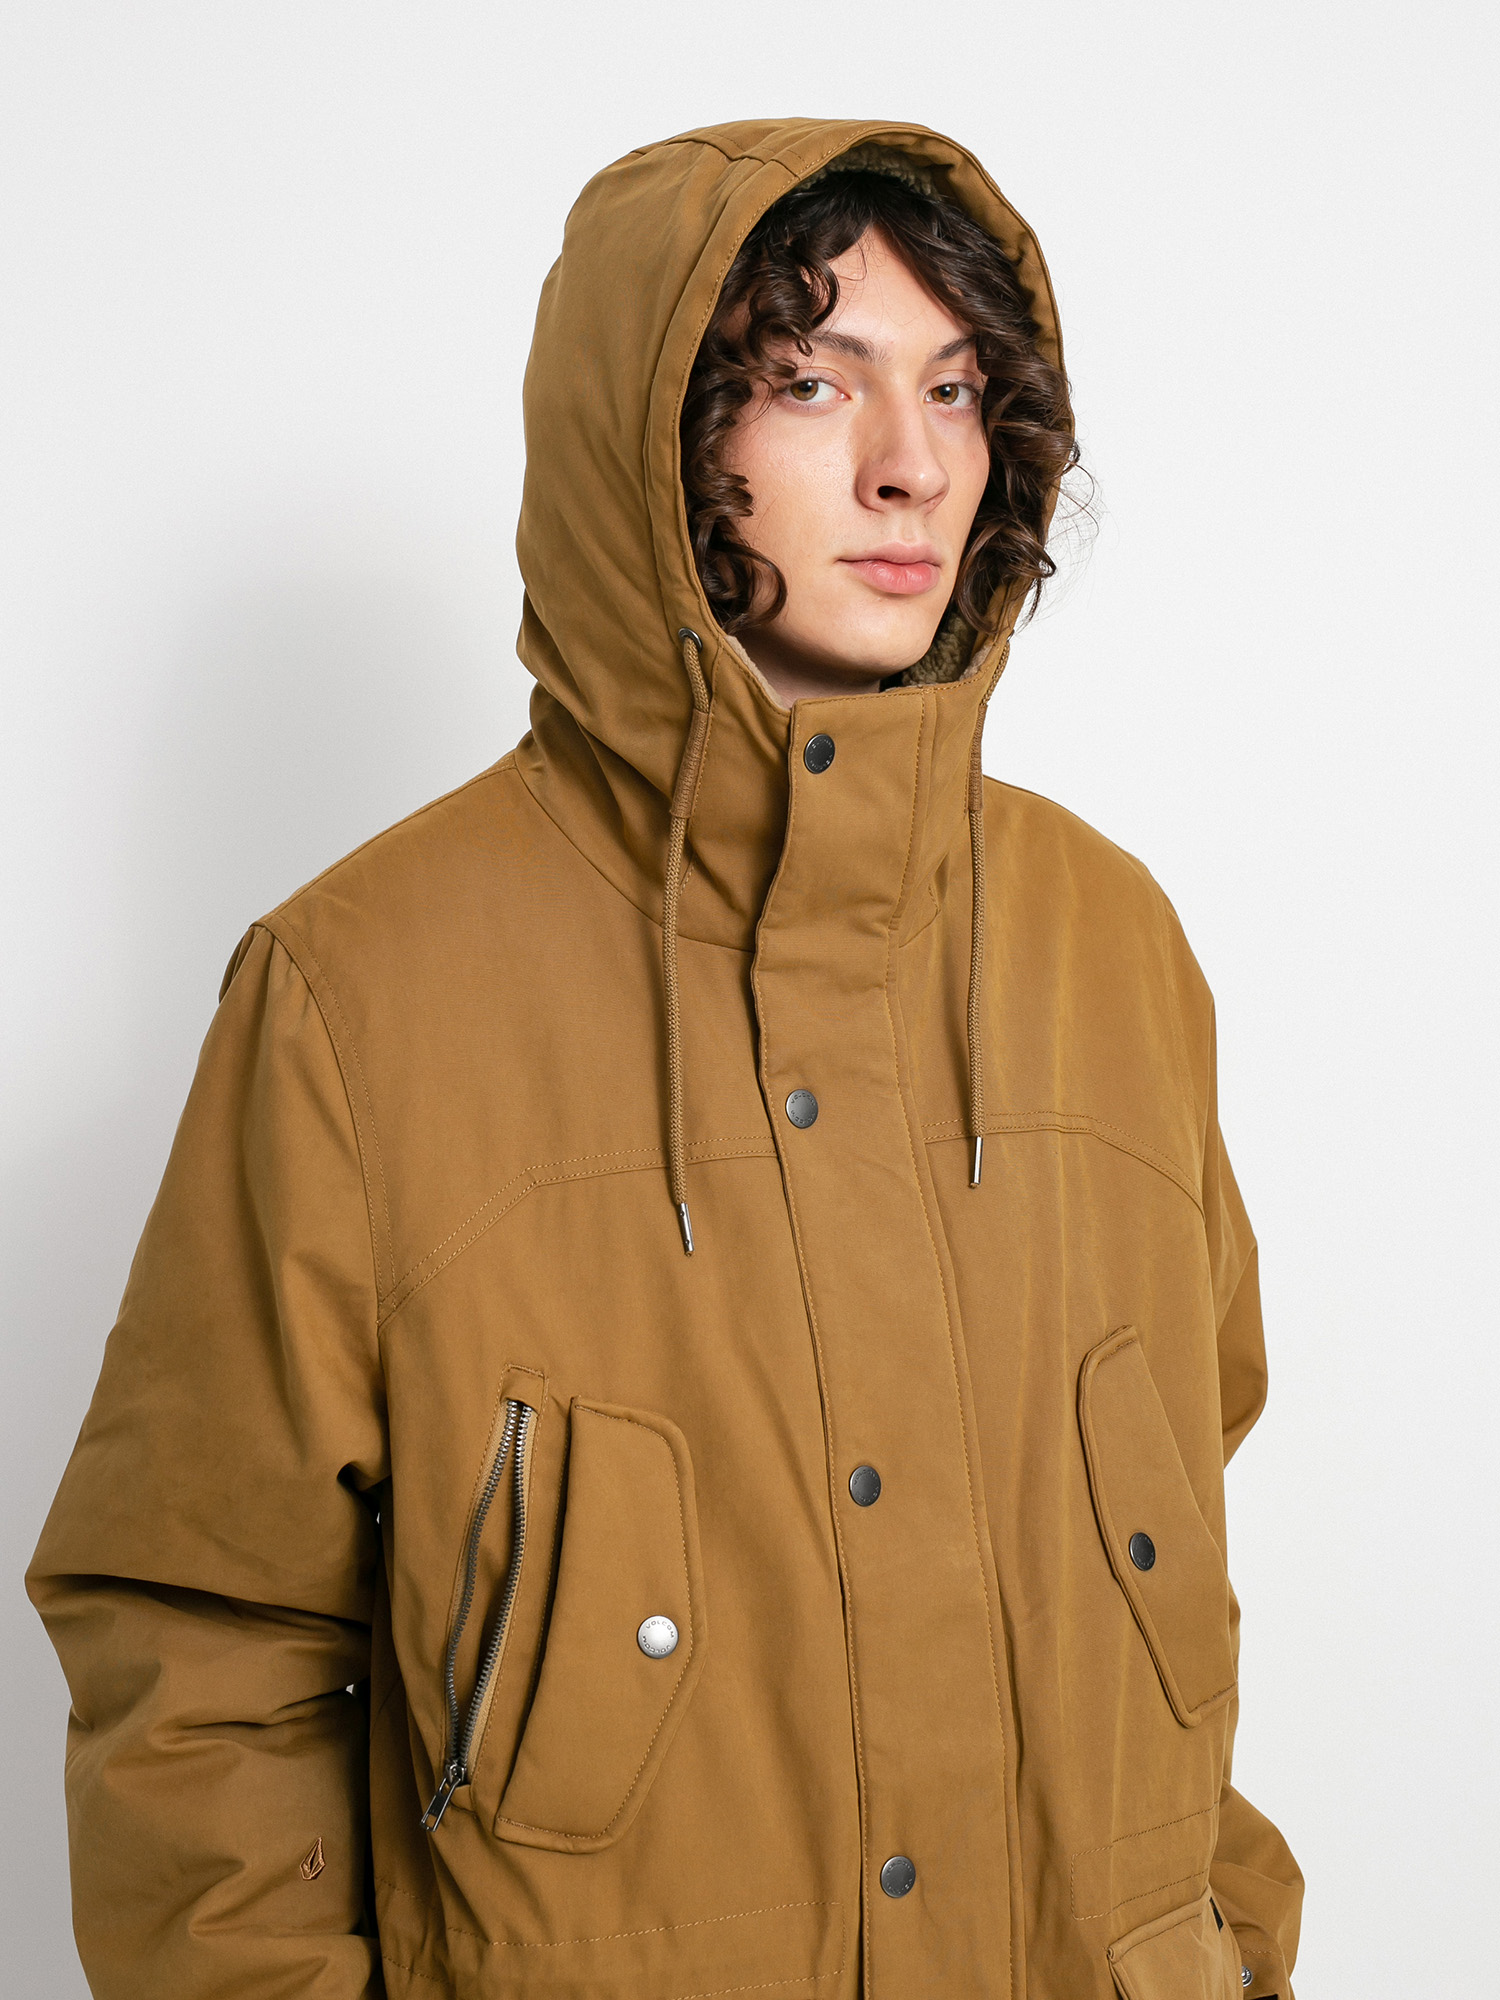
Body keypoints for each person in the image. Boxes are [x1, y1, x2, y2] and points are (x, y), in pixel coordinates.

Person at [28, 118, 1304, 1999]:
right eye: (813, 380)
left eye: (958, 388)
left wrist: (1232, 1948)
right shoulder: (357, 993)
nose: (911, 462)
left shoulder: (1108, 946)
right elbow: (201, 1655)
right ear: (651, 440)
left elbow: (1185, 1545)